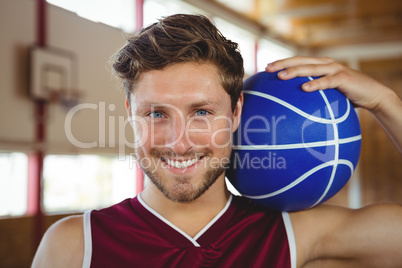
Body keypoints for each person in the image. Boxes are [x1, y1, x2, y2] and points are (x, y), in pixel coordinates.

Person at [32, 14, 402, 267]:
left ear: (235, 111)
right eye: (156, 113)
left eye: (202, 113)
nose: (178, 143)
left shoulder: (291, 233)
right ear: (130, 112)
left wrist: (386, 102)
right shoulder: (74, 246)